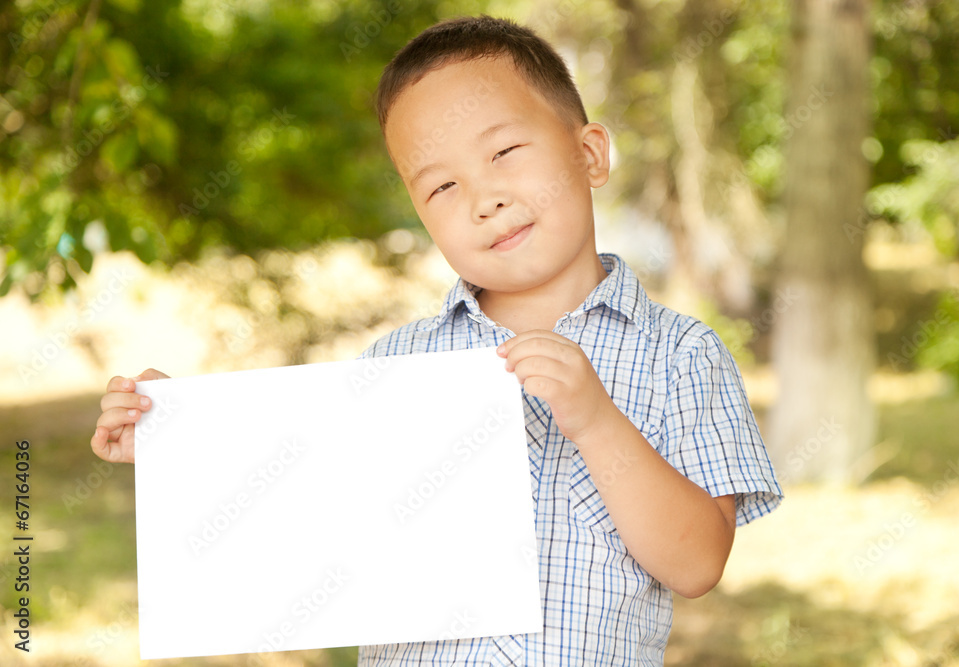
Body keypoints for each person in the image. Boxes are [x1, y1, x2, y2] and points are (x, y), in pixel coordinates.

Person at [92, 15, 782, 666]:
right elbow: (308, 519)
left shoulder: (681, 355)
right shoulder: (396, 365)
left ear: (589, 153)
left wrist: (597, 421)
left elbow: (697, 564)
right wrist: (182, 440)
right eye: (443, 186)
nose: (484, 198)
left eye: (504, 152)